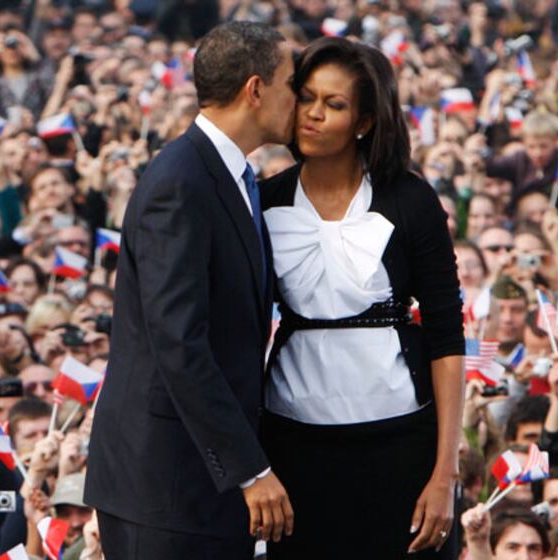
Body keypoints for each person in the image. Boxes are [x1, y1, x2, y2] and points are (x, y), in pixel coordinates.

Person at [84, 22, 296, 559]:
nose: (299, 100)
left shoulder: (226, 176)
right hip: (165, 486)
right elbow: (179, 342)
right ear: (255, 89)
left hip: (195, 487)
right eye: (291, 85)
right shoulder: (182, 182)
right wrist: (250, 469)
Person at [260, 37, 464, 558]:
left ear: (365, 122)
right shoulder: (263, 199)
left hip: (401, 442)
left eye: (334, 104)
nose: (313, 114)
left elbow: (446, 336)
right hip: (292, 445)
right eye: (306, 98)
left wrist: (445, 473)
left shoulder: (411, 199)